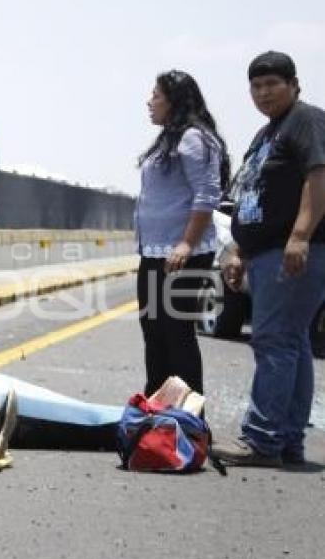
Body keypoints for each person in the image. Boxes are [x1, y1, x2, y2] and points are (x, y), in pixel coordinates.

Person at [212, 52, 325, 467]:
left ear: (295, 85)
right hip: (265, 252)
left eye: (272, 84)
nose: (263, 93)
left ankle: (261, 439)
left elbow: (319, 175)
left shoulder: (306, 120)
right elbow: (252, 195)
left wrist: (300, 236)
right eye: (256, 87)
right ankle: (287, 440)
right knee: (291, 342)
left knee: (274, 340)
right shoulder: (265, 135)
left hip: (290, 252)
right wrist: (240, 249)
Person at [134, 70, 226, 396]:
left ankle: (189, 424)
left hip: (181, 254)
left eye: (156, 95)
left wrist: (187, 242)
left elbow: (206, 193)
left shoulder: (193, 137)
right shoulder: (169, 139)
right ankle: (157, 418)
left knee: (176, 336)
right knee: (155, 335)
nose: (150, 101)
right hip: (156, 253)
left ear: (174, 100)